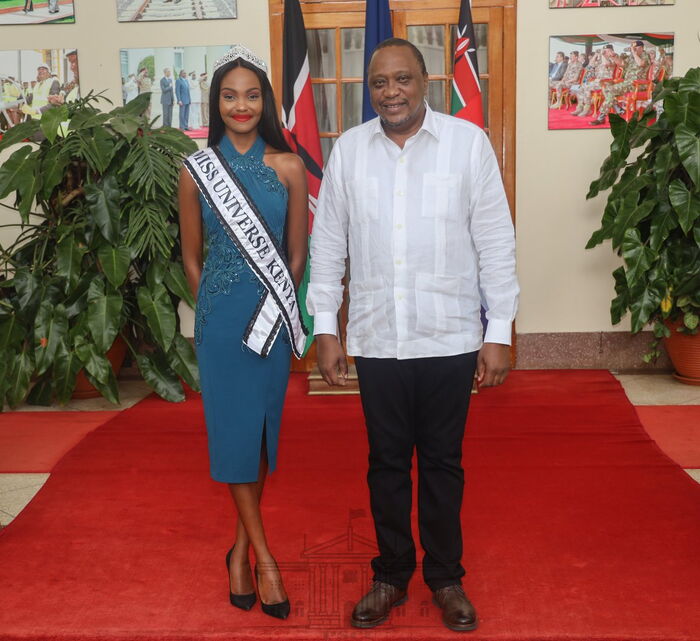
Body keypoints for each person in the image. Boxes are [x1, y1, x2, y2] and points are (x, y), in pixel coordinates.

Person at [307, 38, 518, 633]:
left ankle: (446, 577)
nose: (390, 92)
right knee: (386, 463)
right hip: (378, 339)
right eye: (379, 83)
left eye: (402, 79)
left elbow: (495, 242)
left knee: (444, 464)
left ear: (426, 82)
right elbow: (328, 249)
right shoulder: (349, 151)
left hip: (449, 335)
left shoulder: (467, 144)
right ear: (368, 89)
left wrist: (497, 329)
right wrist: (327, 327)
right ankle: (392, 573)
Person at [178, 45, 308, 621]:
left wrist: (271, 309)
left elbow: (297, 257)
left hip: (271, 324)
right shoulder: (197, 170)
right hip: (220, 325)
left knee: (257, 439)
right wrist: (217, 306)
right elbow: (190, 259)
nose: (241, 105)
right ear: (216, 102)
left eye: (252, 95)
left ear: (266, 102)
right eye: (230, 95)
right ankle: (263, 557)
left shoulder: (289, 166)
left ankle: (236, 552)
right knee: (233, 434)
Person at [590, 40, 649, 125]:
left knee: (610, 90)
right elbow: (622, 63)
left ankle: (602, 117)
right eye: (633, 48)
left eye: (636, 48)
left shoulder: (645, 56)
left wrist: (634, 53)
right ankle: (617, 108)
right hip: (628, 83)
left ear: (642, 48)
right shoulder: (632, 57)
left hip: (638, 84)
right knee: (607, 89)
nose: (634, 49)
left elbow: (641, 64)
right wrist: (614, 56)